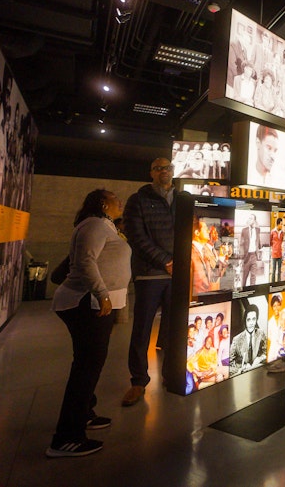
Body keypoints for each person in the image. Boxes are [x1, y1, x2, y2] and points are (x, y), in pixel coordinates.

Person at [46, 189, 130, 458]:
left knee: (90, 364)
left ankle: (83, 413)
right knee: (86, 366)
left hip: (95, 303)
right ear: (104, 204)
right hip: (87, 303)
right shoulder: (94, 225)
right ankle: (66, 438)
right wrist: (102, 294)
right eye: (116, 199)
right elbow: (85, 261)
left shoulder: (104, 226)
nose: (120, 202)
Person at [121, 158, 176, 407]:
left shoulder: (184, 199)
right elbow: (136, 237)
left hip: (178, 275)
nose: (164, 171)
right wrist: (165, 261)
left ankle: (171, 375)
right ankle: (138, 381)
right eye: (158, 168)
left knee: (174, 329)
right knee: (142, 329)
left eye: (168, 167)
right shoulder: (138, 200)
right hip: (150, 275)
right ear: (151, 172)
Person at [229, 304, 267, 373]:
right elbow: (229, 364)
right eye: (248, 320)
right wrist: (242, 367)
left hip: (258, 372)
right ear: (245, 321)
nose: (251, 323)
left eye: (254, 319)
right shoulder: (236, 339)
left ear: (256, 320)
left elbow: (267, 352)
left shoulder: (261, 333)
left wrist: (260, 358)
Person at [238, 213, 262, 286]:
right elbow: (241, 244)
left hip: (254, 255)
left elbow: (258, 240)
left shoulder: (258, 230)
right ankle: (243, 292)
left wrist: (260, 248)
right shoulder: (244, 230)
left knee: (253, 276)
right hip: (246, 256)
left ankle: (252, 291)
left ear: (254, 220)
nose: (249, 219)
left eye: (251, 218)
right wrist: (241, 257)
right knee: (244, 277)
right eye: (249, 218)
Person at [269, 218, 285, 282]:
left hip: (280, 254)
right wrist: (273, 248)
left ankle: (278, 283)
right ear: (278, 224)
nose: (282, 226)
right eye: (281, 224)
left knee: (279, 270)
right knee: (273, 270)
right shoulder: (272, 232)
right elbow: (270, 242)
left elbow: (281, 241)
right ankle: (272, 284)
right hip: (274, 254)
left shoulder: (282, 233)